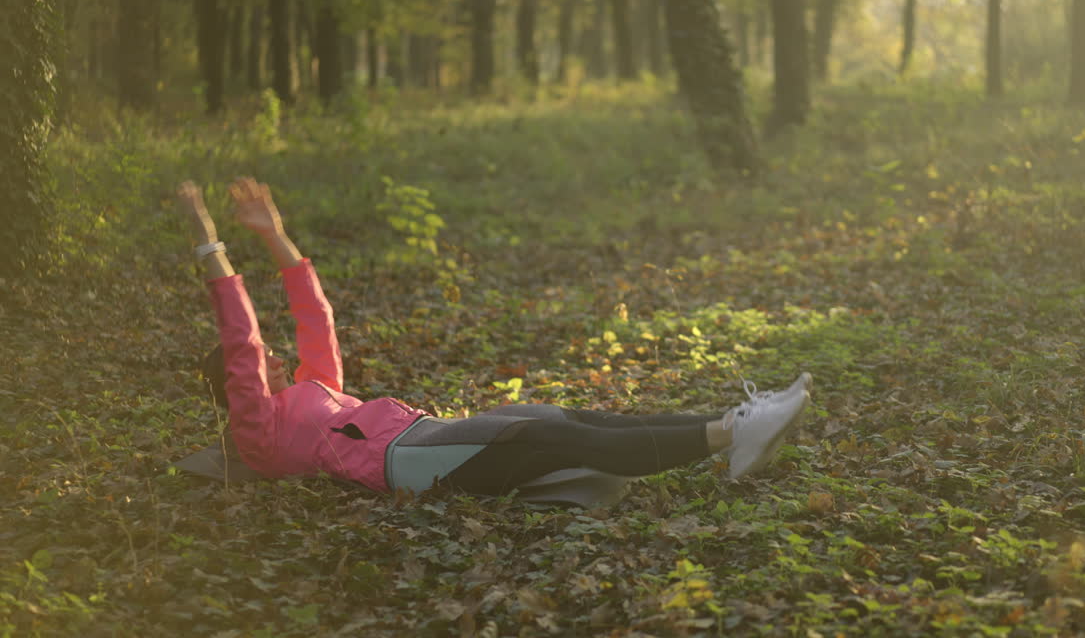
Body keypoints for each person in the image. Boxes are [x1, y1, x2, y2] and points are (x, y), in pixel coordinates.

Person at [175, 177, 811, 499]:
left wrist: (273, 234)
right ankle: (731, 434)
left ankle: (738, 421)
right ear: (238, 391)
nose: (278, 361)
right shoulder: (259, 435)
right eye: (261, 370)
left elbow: (317, 317)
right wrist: (210, 239)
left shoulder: (314, 389)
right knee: (546, 434)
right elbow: (244, 342)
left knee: (563, 414)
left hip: (425, 432)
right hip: (404, 465)